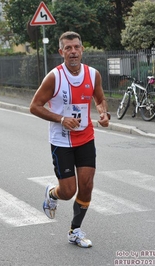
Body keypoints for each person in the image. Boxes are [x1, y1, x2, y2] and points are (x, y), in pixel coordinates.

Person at [29, 31, 110, 248]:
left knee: (86, 186)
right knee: (68, 191)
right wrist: (61, 118)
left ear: (82, 49)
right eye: (68, 48)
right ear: (61, 52)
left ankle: (75, 230)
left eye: (76, 47)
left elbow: (100, 98)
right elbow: (34, 106)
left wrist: (103, 113)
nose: (73, 52)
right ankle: (52, 193)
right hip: (61, 141)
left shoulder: (93, 74)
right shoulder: (54, 77)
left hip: (85, 137)